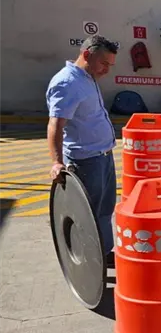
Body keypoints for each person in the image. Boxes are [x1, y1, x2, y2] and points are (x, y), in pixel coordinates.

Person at [46, 35, 119, 267]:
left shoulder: (87, 79)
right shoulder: (67, 83)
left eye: (110, 65)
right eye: (104, 63)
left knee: (104, 209)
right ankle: (88, 264)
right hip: (86, 161)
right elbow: (56, 125)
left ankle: (103, 253)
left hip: (103, 156)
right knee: (87, 215)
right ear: (87, 55)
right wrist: (57, 162)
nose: (106, 70)